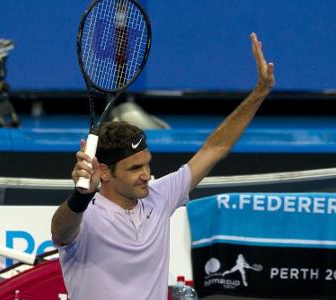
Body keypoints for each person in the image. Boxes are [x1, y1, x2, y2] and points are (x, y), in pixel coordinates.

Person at [51, 32, 275, 300]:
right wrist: (80, 197)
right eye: (134, 169)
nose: (146, 175)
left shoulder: (159, 196)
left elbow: (216, 148)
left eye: (147, 164)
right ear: (104, 172)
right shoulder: (86, 216)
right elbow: (61, 231)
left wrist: (260, 91)